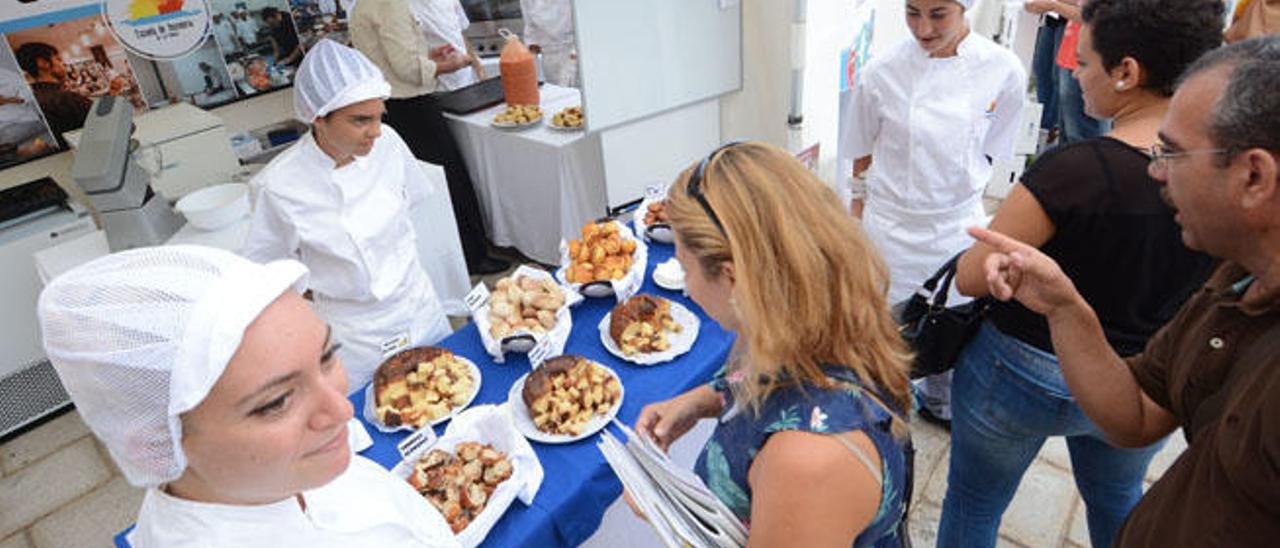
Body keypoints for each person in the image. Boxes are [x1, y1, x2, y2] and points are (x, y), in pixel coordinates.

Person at [964, 34, 1280, 545]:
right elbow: (1136, 414)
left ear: (1254, 176)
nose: (1155, 171)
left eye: (1172, 153)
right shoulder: (1235, 278)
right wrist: (1065, 308)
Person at [37, 245, 460, 547]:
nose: (343, 409)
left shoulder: (271, 476)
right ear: (152, 447)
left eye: (327, 356)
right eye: (276, 402)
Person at [634, 142, 913, 546]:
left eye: (685, 267)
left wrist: (667, 511)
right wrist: (701, 400)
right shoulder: (824, 313)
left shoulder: (806, 463)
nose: (687, 288)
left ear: (732, 278)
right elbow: (768, 380)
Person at [842, 0, 1026, 426]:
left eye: (938, 14)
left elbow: (995, 146)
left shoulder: (1002, 70)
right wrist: (855, 215)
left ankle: (940, 403)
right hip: (890, 225)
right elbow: (862, 150)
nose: (923, 28)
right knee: (886, 332)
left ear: (966, 8)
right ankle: (885, 412)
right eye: (912, 12)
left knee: (951, 326)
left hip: (956, 224)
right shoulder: (882, 71)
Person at [242, 40, 463, 391]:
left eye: (379, 116)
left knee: (449, 391)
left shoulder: (387, 143)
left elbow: (411, 206)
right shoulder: (278, 186)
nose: (375, 130)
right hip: (357, 336)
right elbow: (269, 275)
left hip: (417, 307)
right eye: (360, 120)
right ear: (318, 117)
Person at [350, 0, 510, 275]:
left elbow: (393, 54)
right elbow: (408, 69)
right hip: (411, 106)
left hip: (392, 106)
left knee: (423, 186)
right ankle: (472, 256)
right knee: (449, 182)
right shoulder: (389, 4)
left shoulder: (364, 5)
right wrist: (453, 64)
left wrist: (430, 55)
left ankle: (453, 256)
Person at [13, 42, 92, 149]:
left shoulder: (26, 102)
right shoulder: (67, 99)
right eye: (58, 59)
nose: (63, 64)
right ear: (43, 63)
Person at [409, 0, 486, 91]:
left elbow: (460, 35)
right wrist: (450, 66)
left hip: (467, 81)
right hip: (437, 90)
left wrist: (480, 71)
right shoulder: (404, 8)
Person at [518, 0, 577, 87]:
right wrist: (529, 72)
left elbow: (586, 30)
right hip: (549, 57)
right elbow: (531, 32)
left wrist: (572, 63)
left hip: (573, 54)